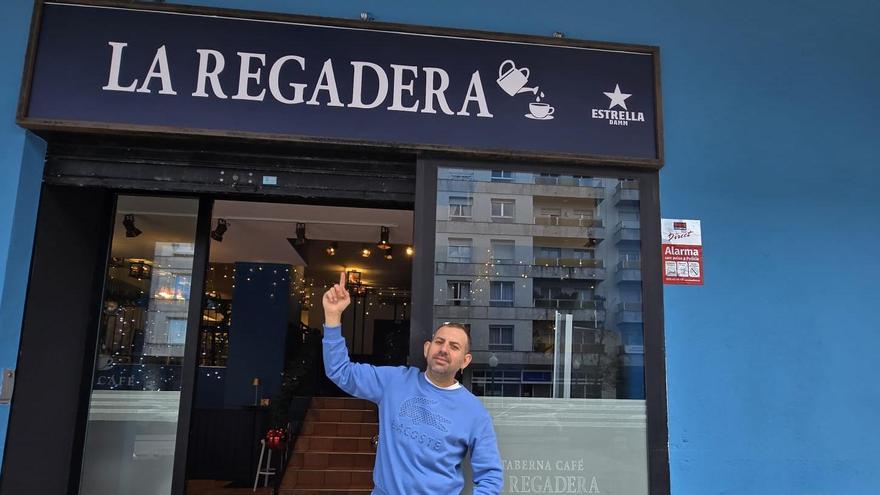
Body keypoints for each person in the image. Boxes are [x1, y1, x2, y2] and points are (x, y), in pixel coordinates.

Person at [322, 272, 503, 495]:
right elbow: (340, 372)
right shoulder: (394, 382)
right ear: (427, 348)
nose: (444, 349)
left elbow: (490, 477)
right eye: (439, 341)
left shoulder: (474, 412)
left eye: (454, 346)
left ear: (465, 361)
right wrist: (332, 318)